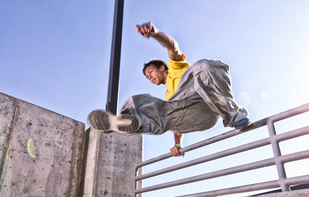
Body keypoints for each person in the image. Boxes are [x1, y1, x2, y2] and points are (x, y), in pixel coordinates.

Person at [88, 22, 250, 157]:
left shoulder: (175, 66)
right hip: (199, 117)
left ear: (161, 67)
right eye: (146, 77)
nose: (149, 77)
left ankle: (233, 115)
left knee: (203, 67)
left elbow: (172, 46)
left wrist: (156, 33)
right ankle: (124, 122)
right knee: (144, 104)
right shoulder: (168, 96)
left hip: (210, 103)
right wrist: (177, 144)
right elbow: (175, 122)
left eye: (150, 72)